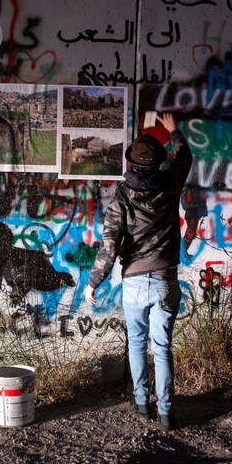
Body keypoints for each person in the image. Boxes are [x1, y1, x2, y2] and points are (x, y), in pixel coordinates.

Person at [84, 112, 192, 431]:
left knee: (136, 343)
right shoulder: (171, 180)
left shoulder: (121, 197)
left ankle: (143, 404)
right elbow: (184, 155)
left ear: (130, 164)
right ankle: (167, 413)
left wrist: (93, 282)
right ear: (158, 162)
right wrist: (174, 131)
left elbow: (109, 245)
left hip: (133, 283)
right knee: (161, 348)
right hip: (164, 280)